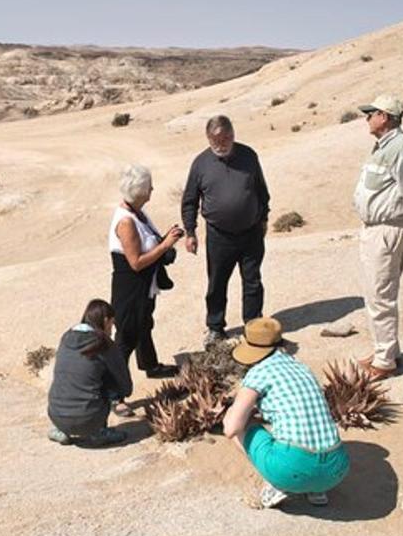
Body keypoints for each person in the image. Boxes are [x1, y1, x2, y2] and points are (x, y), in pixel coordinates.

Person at [223, 317, 349, 508]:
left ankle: (277, 484)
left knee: (243, 426)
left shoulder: (258, 373)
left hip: (292, 469)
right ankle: (316, 491)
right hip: (336, 469)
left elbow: (232, 428)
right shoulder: (300, 366)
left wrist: (233, 410)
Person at [353, 94, 403, 381]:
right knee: (375, 294)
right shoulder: (385, 146)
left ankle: (385, 362)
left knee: (381, 296)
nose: (367, 118)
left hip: (388, 229)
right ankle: (386, 350)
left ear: (384, 116)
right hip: (375, 229)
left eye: (371, 113)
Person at [181, 115, 271, 348]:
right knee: (217, 283)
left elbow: (261, 190)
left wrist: (264, 218)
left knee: (252, 281)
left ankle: (253, 325)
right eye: (215, 140)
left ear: (233, 135)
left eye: (225, 138)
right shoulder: (201, 163)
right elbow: (190, 200)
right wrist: (190, 232)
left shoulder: (248, 156)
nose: (221, 144)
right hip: (219, 236)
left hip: (251, 233)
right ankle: (215, 327)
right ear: (208, 138)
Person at [110, 164, 185, 406]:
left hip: (144, 287)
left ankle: (150, 365)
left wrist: (165, 239)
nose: (152, 189)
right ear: (141, 192)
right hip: (131, 289)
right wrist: (165, 245)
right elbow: (136, 262)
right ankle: (114, 395)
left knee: (144, 324)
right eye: (149, 186)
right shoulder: (126, 222)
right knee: (126, 337)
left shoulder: (138, 213)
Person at [47, 299, 133, 446]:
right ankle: (98, 433)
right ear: (105, 320)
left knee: (74, 376)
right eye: (112, 324)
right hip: (89, 418)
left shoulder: (66, 337)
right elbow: (124, 385)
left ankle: (62, 431)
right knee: (105, 379)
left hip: (56, 415)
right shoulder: (104, 344)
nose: (112, 330)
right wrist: (119, 395)